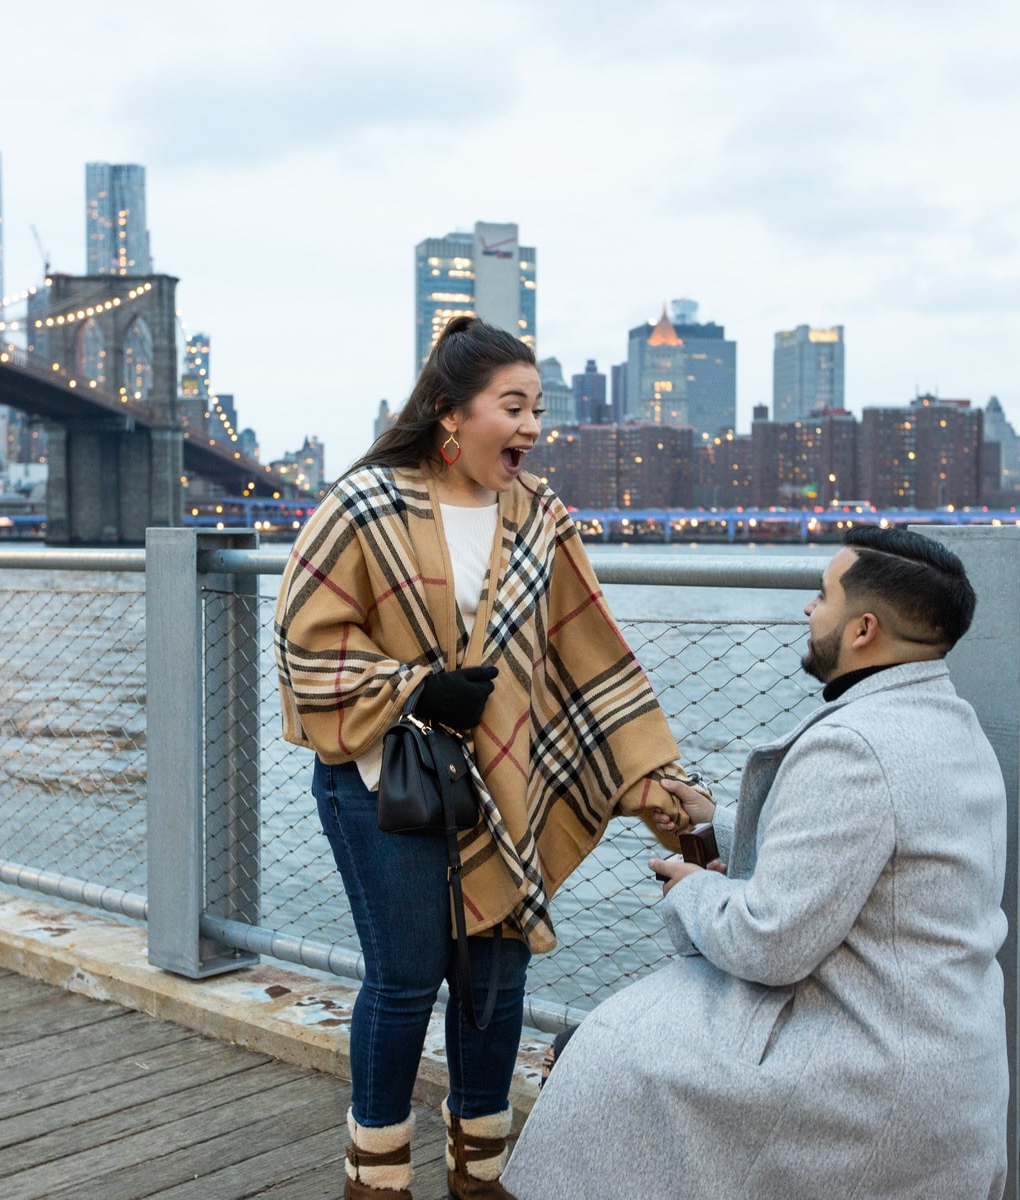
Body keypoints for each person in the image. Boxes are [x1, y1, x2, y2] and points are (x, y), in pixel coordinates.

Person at [273, 316, 704, 1200]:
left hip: (505, 785)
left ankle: (483, 1176)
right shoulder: (365, 505)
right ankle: (378, 1178)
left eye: (537, 409)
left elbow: (588, 649)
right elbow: (303, 638)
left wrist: (650, 778)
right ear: (449, 412)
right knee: (404, 982)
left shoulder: (539, 514)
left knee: (497, 976)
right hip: (382, 783)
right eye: (513, 406)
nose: (532, 428)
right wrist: (417, 690)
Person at [504, 527, 1010, 1200]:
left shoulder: (854, 746)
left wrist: (687, 890)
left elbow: (771, 943)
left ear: (862, 629)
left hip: (864, 1074)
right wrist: (716, 822)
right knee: (614, 1048)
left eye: (821, 595)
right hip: (933, 1055)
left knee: (605, 1053)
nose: (808, 610)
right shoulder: (949, 724)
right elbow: (853, 849)